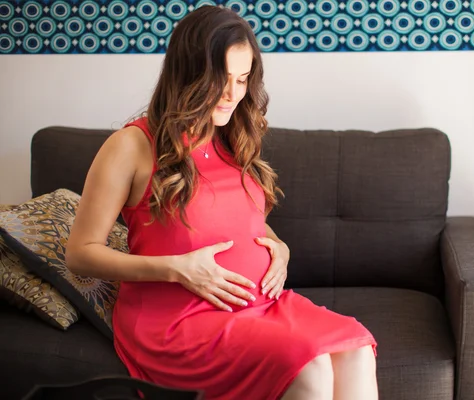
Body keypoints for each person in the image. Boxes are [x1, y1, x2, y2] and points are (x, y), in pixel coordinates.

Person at [65, 5, 377, 400]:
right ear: (188, 74)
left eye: (242, 79)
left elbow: (240, 223)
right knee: (309, 363)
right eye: (221, 80)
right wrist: (177, 269)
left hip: (260, 306)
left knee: (356, 349)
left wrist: (278, 248)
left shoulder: (231, 134)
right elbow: (80, 254)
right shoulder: (132, 146)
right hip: (177, 320)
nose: (233, 94)